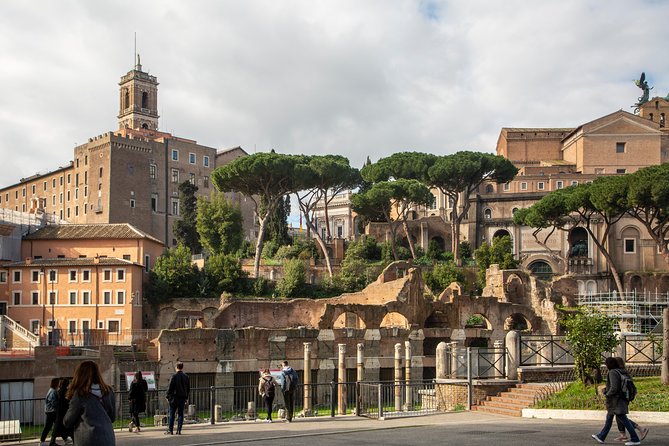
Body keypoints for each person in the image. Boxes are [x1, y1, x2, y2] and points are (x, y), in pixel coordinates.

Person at [64, 360, 116, 446]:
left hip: (87, 439)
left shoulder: (80, 394)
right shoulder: (109, 391)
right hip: (107, 438)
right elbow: (112, 418)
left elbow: (67, 421)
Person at [591, 357, 640, 446]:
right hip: (621, 399)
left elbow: (614, 387)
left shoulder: (612, 372)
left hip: (615, 400)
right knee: (609, 418)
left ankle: (635, 438)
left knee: (623, 419)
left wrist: (607, 394)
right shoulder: (622, 371)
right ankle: (601, 436)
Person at [613, 358, 648, 443]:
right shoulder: (625, 371)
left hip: (621, 397)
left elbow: (617, 386)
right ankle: (623, 435)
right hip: (626, 397)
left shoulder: (617, 372)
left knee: (621, 416)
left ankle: (640, 429)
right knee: (619, 415)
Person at [165, 362, 190, 435]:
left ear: (176, 367)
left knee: (172, 414)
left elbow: (170, 388)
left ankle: (170, 430)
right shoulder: (186, 377)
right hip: (182, 398)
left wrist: (167, 397)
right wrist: (186, 397)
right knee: (180, 414)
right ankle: (179, 430)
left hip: (174, 398)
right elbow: (188, 388)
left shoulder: (174, 376)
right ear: (182, 367)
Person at [51, 378, 73, 446]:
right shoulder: (66, 391)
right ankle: (72, 439)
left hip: (59, 411)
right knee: (67, 426)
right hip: (64, 411)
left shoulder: (59, 391)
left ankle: (52, 441)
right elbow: (67, 400)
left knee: (58, 426)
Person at [40, 378, 59, 446]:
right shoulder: (53, 391)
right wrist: (59, 403)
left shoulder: (52, 390)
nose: (59, 384)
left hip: (50, 411)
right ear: (55, 383)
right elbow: (53, 402)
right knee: (50, 426)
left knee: (56, 426)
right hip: (51, 412)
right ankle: (43, 441)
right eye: (58, 382)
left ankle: (50, 441)